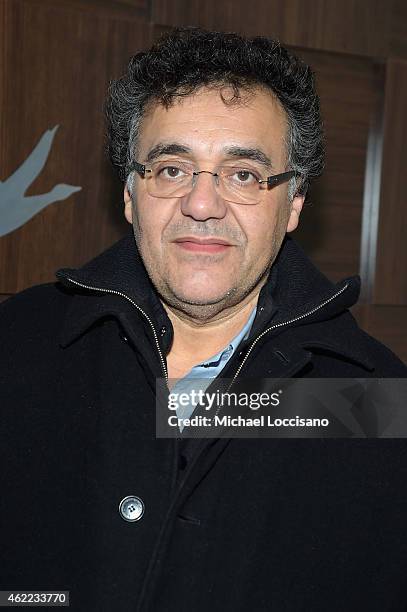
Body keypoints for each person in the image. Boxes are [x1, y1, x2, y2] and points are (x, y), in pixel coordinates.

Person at [1, 27, 407, 612]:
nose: (201, 203)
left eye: (243, 174)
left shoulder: (374, 401)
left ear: (292, 203)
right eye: (171, 168)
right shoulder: (20, 340)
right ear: (129, 194)